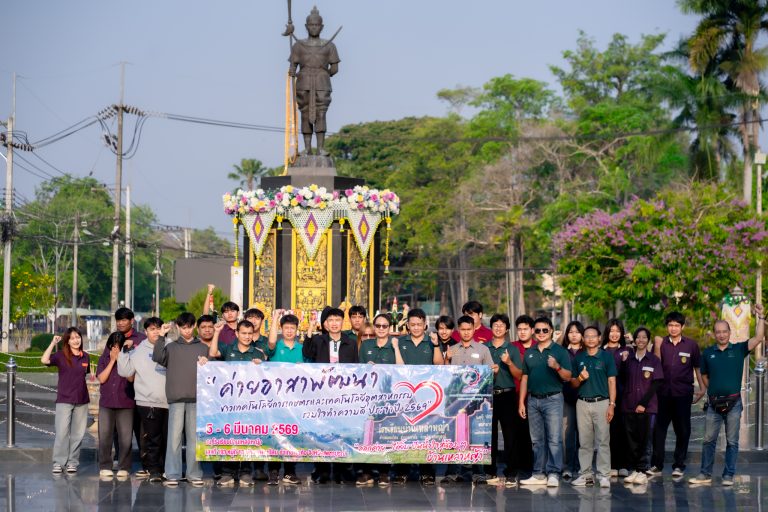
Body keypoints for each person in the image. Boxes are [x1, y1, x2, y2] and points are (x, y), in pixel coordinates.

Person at [689, 304, 765, 486]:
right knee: (708, 440)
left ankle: (728, 475)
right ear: (714, 334)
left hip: (734, 404)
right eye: (718, 332)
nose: (721, 335)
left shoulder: (739, 349)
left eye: (724, 331)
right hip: (713, 405)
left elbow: (758, 337)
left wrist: (760, 317)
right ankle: (704, 474)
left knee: (732, 441)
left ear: (729, 333)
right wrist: (714, 389)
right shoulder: (708, 353)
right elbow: (704, 376)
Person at [203, 320, 267, 486]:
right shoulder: (228, 349)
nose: (246, 337)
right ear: (237, 334)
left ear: (253, 335)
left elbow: (266, 378)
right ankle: (228, 472)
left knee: (246, 436)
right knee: (228, 436)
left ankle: (246, 472)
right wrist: (216, 332)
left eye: (249, 334)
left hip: (249, 403)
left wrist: (262, 366)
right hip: (228, 402)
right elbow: (213, 351)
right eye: (243, 333)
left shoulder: (257, 353)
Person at [152, 312, 209, 487]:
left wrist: (207, 361)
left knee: (194, 439)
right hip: (176, 398)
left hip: (196, 398)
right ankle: (173, 473)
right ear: (178, 327)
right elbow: (157, 357)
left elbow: (212, 370)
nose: (187, 330)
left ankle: (194, 474)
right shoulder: (170, 347)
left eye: (190, 327)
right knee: (174, 439)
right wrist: (161, 336)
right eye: (183, 327)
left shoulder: (203, 348)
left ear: (194, 327)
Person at [302, 307, 358, 483]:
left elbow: (355, 367)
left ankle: (343, 469)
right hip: (322, 393)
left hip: (343, 394)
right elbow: (307, 353)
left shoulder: (350, 342)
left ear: (343, 322)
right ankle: (322, 469)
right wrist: (310, 330)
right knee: (322, 431)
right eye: (330, 320)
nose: (334, 324)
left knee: (342, 431)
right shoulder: (319, 341)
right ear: (325, 324)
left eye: (337, 320)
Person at [649, 312, 705, 478]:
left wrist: (702, 388)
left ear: (682, 327)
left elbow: (697, 367)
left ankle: (679, 465)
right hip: (662, 393)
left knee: (683, 430)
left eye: (676, 325)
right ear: (667, 326)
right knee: (659, 430)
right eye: (670, 325)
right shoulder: (661, 344)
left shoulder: (691, 345)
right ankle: (656, 465)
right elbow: (655, 364)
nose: (673, 328)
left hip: (683, 394)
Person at [518, 317, 572, 487]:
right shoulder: (530, 352)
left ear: (550, 330)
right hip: (533, 400)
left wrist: (556, 366)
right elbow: (525, 377)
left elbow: (568, 377)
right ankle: (538, 473)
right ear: (534, 331)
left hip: (553, 399)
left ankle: (554, 472)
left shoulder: (560, 351)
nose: (541, 333)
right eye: (538, 330)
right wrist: (522, 401)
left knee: (554, 438)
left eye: (545, 330)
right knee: (536, 440)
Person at [391, 308, 444, 485]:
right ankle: (401, 471)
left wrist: (436, 345)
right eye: (412, 324)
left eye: (419, 324)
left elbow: (440, 364)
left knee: (427, 433)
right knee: (402, 433)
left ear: (425, 325)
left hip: (427, 396)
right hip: (405, 396)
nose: (415, 327)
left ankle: (427, 472)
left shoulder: (432, 341)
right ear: (407, 325)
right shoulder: (400, 342)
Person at [117, 316, 170, 483]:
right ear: (145, 331)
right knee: (153, 438)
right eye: (152, 329)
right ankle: (154, 469)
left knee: (169, 438)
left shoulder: (171, 347)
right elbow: (125, 372)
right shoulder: (138, 350)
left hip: (170, 401)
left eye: (158, 328)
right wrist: (124, 352)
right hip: (147, 402)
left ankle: (168, 469)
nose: (155, 332)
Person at [569, 326, 616, 489]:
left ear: (599, 338)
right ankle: (586, 475)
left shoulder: (606, 357)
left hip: (602, 402)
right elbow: (573, 383)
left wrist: (612, 404)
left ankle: (604, 475)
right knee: (585, 441)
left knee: (603, 440)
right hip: (582, 403)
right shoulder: (578, 358)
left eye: (593, 336)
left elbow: (612, 381)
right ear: (583, 339)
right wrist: (580, 378)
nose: (590, 339)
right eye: (587, 336)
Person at [288, 6, 340, 156]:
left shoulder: (330, 46)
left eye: (317, 25)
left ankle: (321, 148)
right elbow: (293, 66)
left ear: (322, 27)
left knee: (321, 114)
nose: (314, 27)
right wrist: (293, 72)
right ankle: (308, 148)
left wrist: (323, 75)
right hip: (303, 84)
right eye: (311, 25)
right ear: (306, 27)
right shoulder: (298, 46)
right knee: (305, 114)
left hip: (322, 85)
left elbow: (335, 68)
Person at [41, 328, 90, 475]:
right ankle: (58, 462)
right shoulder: (61, 356)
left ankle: (72, 462)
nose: (76, 340)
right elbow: (44, 360)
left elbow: (85, 376)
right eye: (72, 338)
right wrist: (52, 343)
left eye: (78, 337)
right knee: (62, 433)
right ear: (67, 341)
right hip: (64, 399)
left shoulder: (85, 357)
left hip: (82, 400)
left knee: (78, 434)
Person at [619, 326, 663, 486]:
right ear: (634, 340)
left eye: (644, 337)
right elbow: (623, 378)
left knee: (645, 439)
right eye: (638, 337)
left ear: (648, 340)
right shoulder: (629, 359)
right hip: (628, 405)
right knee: (632, 440)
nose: (641, 340)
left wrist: (643, 404)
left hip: (648, 407)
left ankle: (643, 470)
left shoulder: (653, 360)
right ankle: (635, 470)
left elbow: (657, 383)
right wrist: (623, 363)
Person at [265, 310, 305, 486]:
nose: (289, 331)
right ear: (281, 329)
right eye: (286, 327)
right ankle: (273, 472)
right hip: (275, 399)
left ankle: (290, 471)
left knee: (292, 435)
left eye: (292, 328)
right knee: (274, 435)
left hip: (295, 401)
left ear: (297, 330)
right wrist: (274, 318)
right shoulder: (274, 348)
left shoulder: (302, 349)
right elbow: (271, 342)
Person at [358, 313, 397, 486]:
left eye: (385, 326)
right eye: (378, 326)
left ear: (389, 328)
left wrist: (396, 349)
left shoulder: (395, 345)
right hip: (368, 396)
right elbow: (358, 370)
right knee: (367, 433)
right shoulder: (366, 344)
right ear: (374, 327)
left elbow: (402, 371)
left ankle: (384, 472)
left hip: (388, 397)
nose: (381, 329)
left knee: (384, 434)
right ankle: (367, 472)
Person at [483, 314, 523, 486]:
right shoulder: (484, 347)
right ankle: (490, 472)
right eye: (495, 325)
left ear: (507, 329)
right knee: (488, 435)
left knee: (510, 435)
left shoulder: (512, 349)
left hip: (507, 394)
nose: (498, 328)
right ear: (491, 327)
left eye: (502, 325)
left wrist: (508, 363)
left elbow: (519, 375)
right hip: (487, 395)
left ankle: (511, 472)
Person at [96, 331, 135, 479]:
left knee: (125, 437)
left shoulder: (130, 357)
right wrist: (112, 361)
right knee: (105, 435)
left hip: (125, 402)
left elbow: (131, 378)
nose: (115, 350)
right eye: (113, 346)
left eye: (118, 347)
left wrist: (122, 359)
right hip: (107, 403)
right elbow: (102, 378)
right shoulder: (104, 358)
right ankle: (105, 465)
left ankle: (124, 466)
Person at [601, 318, 632, 477]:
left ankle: (624, 465)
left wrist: (627, 359)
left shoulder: (626, 350)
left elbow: (631, 374)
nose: (614, 334)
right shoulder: (601, 350)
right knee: (608, 431)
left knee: (623, 430)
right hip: (604, 395)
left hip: (623, 396)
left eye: (617, 331)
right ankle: (611, 464)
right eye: (611, 331)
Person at [509, 315, 536, 481]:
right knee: (516, 432)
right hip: (515, 394)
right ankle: (517, 466)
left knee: (533, 433)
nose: (522, 332)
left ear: (532, 330)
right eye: (519, 329)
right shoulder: (512, 347)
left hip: (534, 395)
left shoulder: (538, 347)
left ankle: (531, 466)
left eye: (526, 329)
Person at [560, 320, 584, 480]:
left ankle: (582, 467)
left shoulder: (588, 352)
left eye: (576, 332)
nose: (574, 334)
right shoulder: (562, 352)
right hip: (566, 398)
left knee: (584, 435)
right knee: (567, 434)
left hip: (584, 398)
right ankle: (567, 466)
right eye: (571, 332)